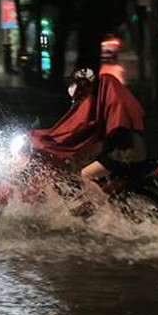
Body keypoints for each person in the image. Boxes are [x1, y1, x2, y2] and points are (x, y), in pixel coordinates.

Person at [29, 66, 147, 213]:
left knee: (86, 175)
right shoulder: (104, 100)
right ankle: (88, 204)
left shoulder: (115, 105)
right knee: (79, 164)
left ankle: (106, 212)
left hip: (125, 153)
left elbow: (84, 127)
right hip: (124, 149)